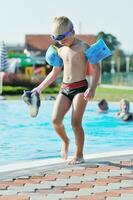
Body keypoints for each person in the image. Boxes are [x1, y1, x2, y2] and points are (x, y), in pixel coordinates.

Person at [32, 16, 100, 164]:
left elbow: (96, 68)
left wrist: (93, 88)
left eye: (63, 38)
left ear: (73, 32)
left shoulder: (83, 47)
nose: (60, 41)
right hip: (65, 89)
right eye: (56, 39)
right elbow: (54, 73)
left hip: (80, 88)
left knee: (75, 123)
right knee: (55, 120)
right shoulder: (61, 50)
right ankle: (65, 141)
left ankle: (79, 154)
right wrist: (39, 89)